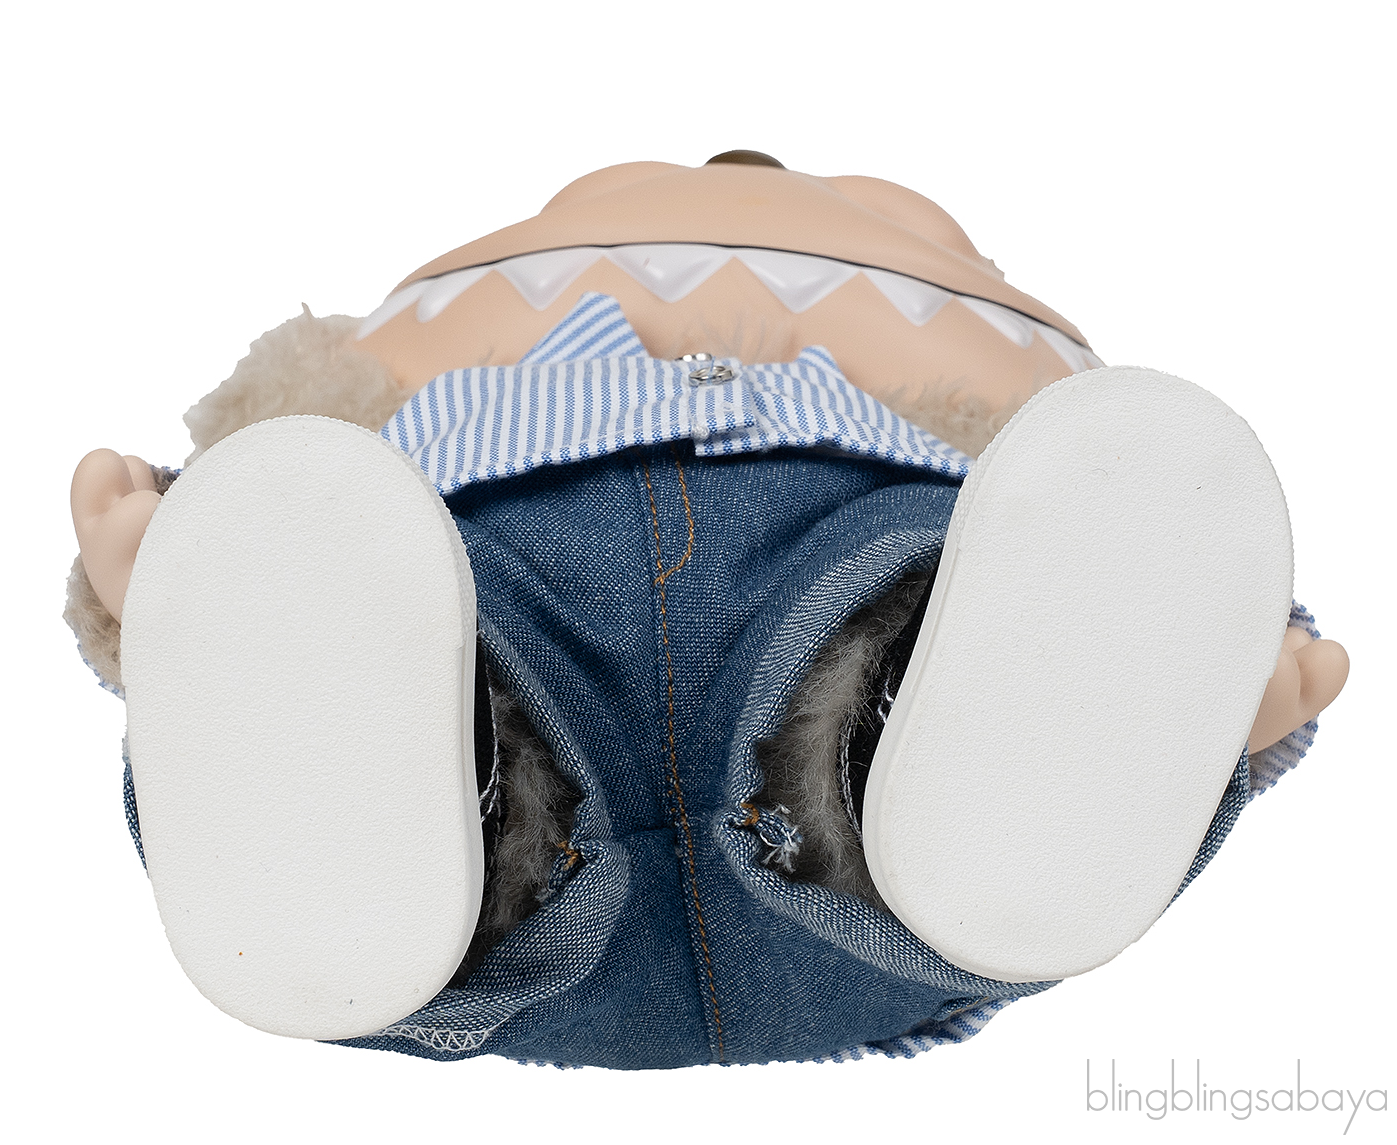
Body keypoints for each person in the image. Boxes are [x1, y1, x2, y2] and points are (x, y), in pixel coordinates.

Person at [66, 152, 1348, 1065]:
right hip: (869, 901)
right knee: (910, 616)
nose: (741, 176)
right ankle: (995, 756)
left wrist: (192, 571)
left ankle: (369, 791)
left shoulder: (426, 395)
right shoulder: (957, 425)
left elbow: (1107, 536)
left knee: (401, 638)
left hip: (518, 609)